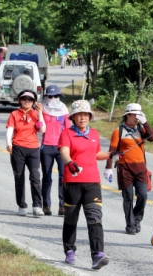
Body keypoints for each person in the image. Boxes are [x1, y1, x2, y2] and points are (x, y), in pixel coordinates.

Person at [58, 100, 114, 270]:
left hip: (92, 183)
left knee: (95, 218)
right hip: (72, 181)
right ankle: (69, 250)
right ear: (73, 117)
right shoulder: (66, 133)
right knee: (71, 219)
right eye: (79, 115)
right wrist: (69, 162)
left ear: (90, 116)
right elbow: (64, 151)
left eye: (85, 115)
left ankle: (97, 255)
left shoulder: (95, 134)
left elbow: (96, 153)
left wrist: (112, 154)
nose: (83, 118)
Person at [104, 103, 153, 235]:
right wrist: (108, 168)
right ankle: (130, 224)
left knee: (143, 195)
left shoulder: (141, 129)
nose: (137, 117)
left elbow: (152, 137)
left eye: (139, 115)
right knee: (127, 197)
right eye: (134, 114)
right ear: (127, 115)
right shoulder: (119, 131)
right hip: (125, 168)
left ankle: (137, 219)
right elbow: (112, 150)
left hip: (140, 168)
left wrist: (146, 123)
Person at [6, 90, 46, 217]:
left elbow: (42, 129)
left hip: (33, 148)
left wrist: (40, 113)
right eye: (24, 99)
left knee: (35, 176)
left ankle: (37, 205)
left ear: (34, 102)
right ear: (19, 100)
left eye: (30, 99)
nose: (27, 101)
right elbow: (10, 129)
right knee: (19, 177)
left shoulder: (36, 114)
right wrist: (9, 143)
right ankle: (22, 205)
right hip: (18, 148)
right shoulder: (14, 114)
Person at [40, 85, 71, 216]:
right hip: (46, 146)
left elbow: (68, 129)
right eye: (50, 96)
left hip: (61, 147)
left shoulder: (64, 110)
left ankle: (62, 205)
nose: (53, 99)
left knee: (63, 176)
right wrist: (38, 113)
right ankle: (46, 205)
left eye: (56, 96)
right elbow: (40, 127)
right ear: (46, 97)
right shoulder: (42, 109)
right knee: (47, 177)